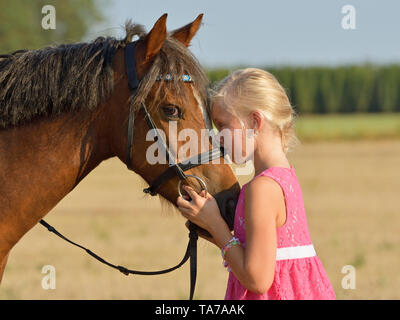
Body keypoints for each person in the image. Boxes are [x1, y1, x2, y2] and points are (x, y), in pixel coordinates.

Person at [176, 68, 336, 300]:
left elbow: (258, 280)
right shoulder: (285, 178)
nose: (218, 138)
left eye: (222, 126)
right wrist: (211, 227)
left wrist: (216, 225)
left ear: (254, 122)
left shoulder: (261, 189)